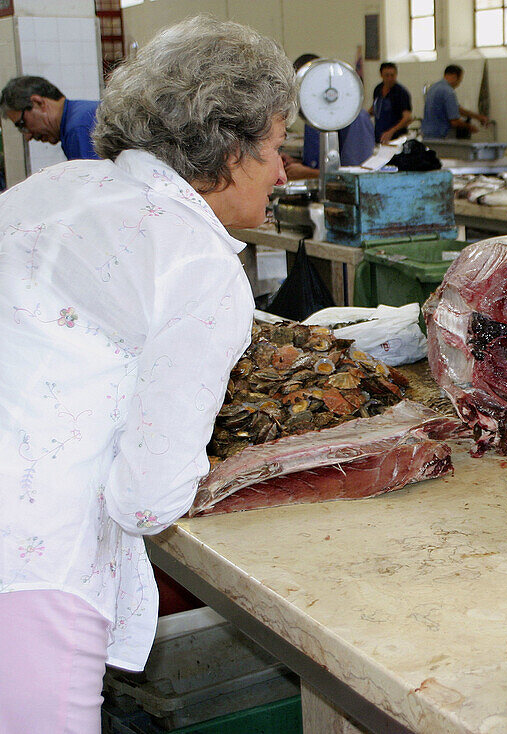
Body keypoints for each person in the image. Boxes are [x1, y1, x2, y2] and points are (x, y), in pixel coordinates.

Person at [0, 15, 296, 731]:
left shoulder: (53, 189)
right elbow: (144, 500)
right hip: (32, 570)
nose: (285, 173)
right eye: (278, 148)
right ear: (229, 150)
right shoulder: (199, 266)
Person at [283, 53, 374, 179]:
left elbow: (355, 176)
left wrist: (306, 173)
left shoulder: (355, 119)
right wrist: (295, 164)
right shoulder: (313, 115)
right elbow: (318, 164)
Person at [0, 75, 99, 159]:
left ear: (38, 102)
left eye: (22, 124)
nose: (27, 136)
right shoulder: (81, 113)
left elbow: (96, 181)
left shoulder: (78, 129)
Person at [422, 64, 489, 139]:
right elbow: (454, 121)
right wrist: (470, 127)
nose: (458, 84)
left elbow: (455, 109)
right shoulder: (448, 91)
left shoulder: (433, 88)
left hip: (427, 135)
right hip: (441, 136)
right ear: (454, 77)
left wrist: (477, 117)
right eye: (459, 81)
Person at [370, 61, 412, 144]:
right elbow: (375, 108)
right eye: (387, 75)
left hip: (396, 138)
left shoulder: (401, 93)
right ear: (381, 75)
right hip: (379, 136)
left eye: (392, 75)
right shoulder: (377, 89)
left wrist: (392, 131)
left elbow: (407, 118)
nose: (389, 78)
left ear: (396, 75)